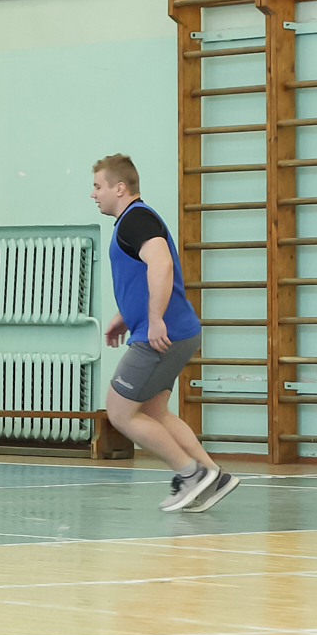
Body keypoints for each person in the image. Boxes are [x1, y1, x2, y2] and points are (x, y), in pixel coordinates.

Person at [91, 154, 237, 512]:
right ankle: (212, 475)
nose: (93, 194)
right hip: (173, 331)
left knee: (119, 411)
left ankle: (190, 474)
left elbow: (161, 263)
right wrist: (124, 316)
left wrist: (155, 320)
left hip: (160, 335)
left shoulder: (135, 219)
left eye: (97, 186)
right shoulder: (133, 221)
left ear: (119, 188)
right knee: (154, 410)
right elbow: (142, 277)